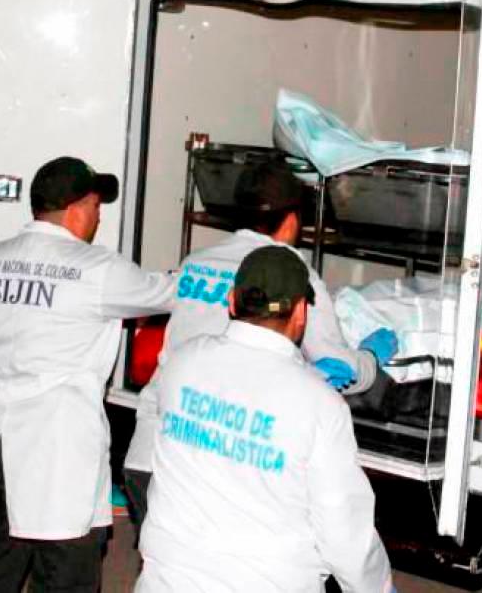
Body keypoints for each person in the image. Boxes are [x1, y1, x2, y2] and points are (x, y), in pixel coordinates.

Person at [123, 161, 397, 529]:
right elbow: (338, 366)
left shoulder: (196, 262)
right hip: (213, 469)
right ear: (292, 220)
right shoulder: (293, 276)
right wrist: (371, 358)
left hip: (149, 452)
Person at [0, 156, 176, 592]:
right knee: (67, 574)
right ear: (75, 209)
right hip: (59, 445)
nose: (98, 217)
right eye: (95, 206)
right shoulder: (97, 269)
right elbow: (169, 293)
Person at [136, 245, 394, 592]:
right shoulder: (320, 404)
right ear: (300, 312)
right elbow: (343, 530)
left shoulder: (181, 363)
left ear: (231, 300)